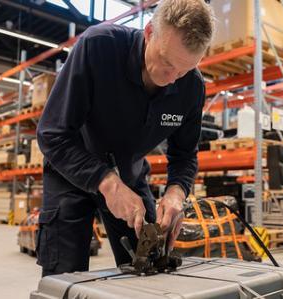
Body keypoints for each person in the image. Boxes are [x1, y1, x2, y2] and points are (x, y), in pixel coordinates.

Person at [35, 0, 214, 277]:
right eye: (167, 63)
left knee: (152, 264)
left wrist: (177, 192)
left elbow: (184, 155)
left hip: (129, 176)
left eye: (185, 69)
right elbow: (52, 134)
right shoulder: (98, 47)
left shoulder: (191, 87)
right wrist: (107, 183)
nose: (173, 79)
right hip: (71, 172)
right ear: (149, 32)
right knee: (64, 276)